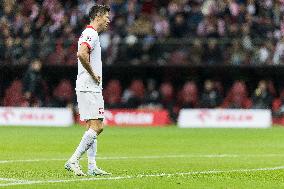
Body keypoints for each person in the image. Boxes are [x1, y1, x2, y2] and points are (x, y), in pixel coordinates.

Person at [65, 4, 111, 176]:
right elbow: (81, 54)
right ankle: (73, 160)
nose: (108, 19)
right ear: (98, 16)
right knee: (98, 126)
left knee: (93, 125)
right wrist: (93, 74)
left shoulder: (91, 34)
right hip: (89, 86)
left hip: (90, 86)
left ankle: (92, 166)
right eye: (106, 16)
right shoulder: (90, 33)